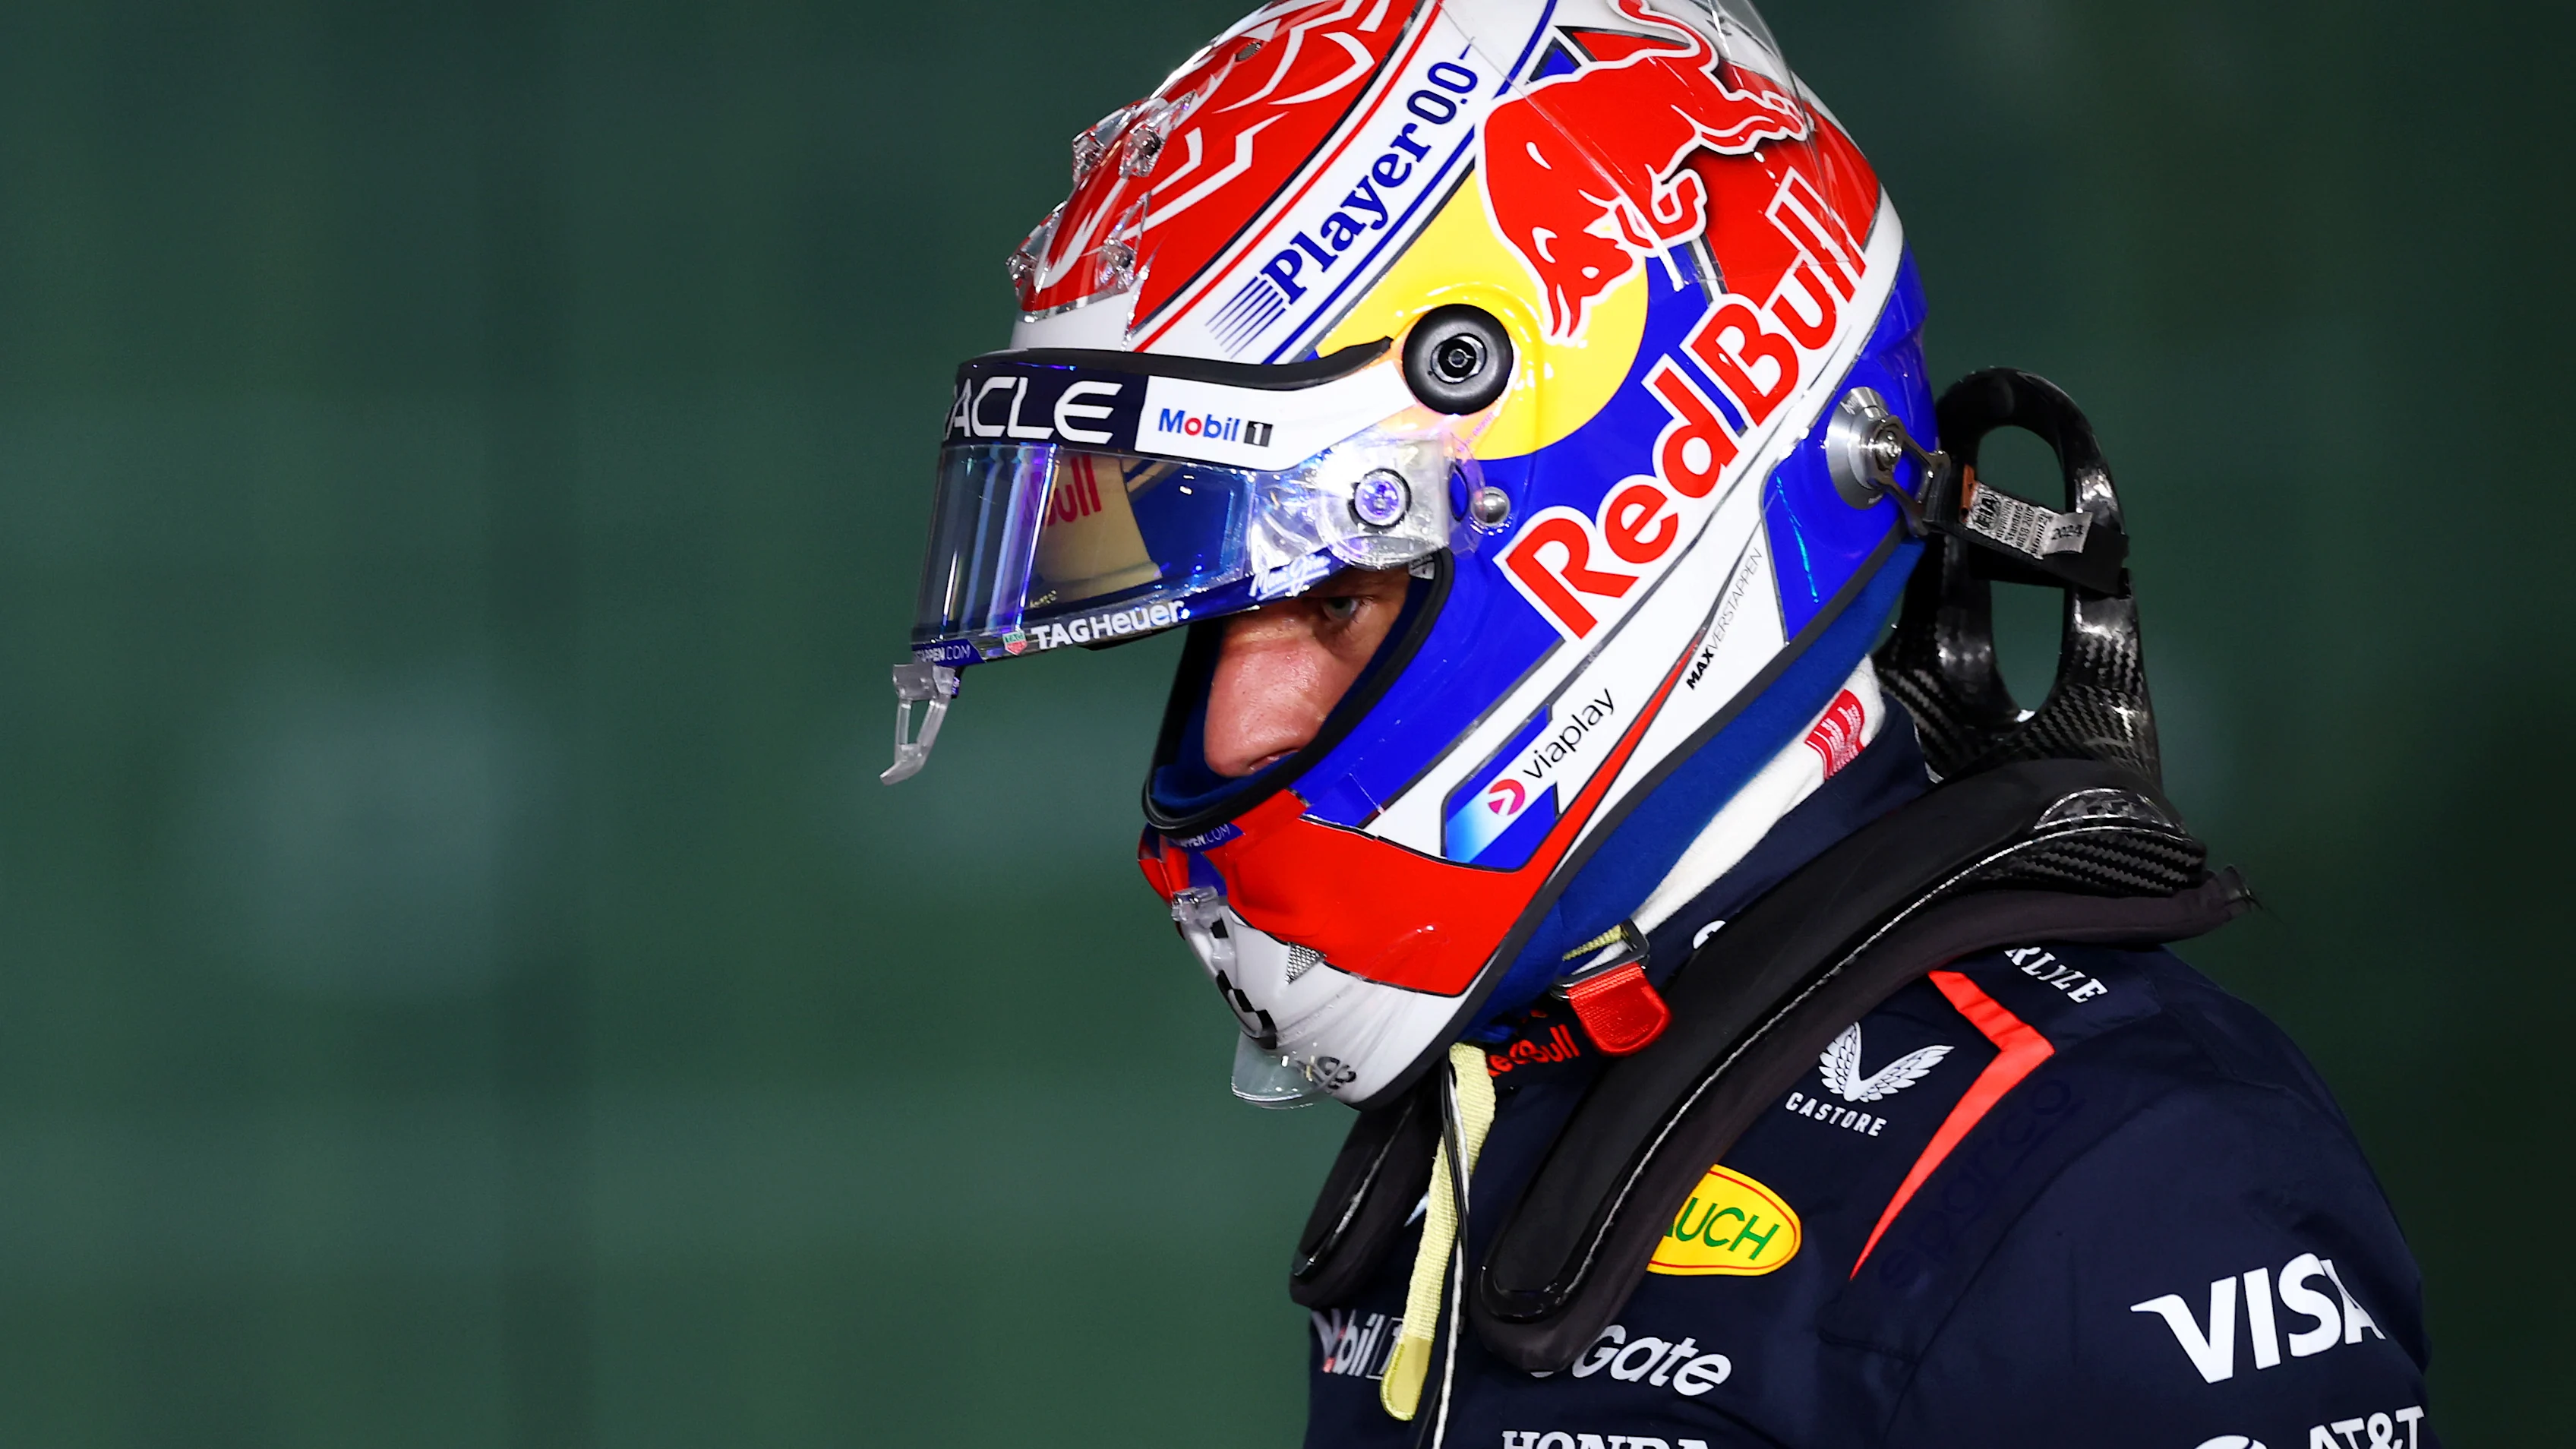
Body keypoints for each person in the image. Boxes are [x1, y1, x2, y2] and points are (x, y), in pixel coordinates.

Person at [885, 2, 2437, 1444]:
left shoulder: (2112, 1185)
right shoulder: (1517, 1082)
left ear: (1628, 521)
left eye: (1328, 604)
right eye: (1219, 624)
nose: (1236, 724)